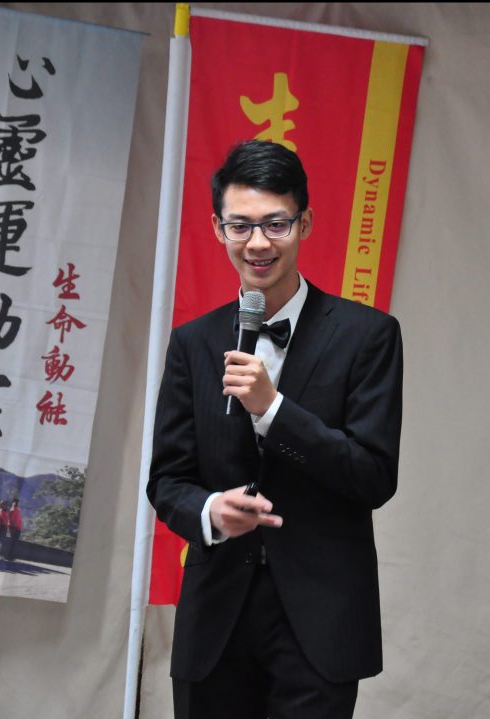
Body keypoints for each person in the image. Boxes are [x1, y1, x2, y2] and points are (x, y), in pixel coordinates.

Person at [147, 140, 403, 719]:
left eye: (275, 224)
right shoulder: (193, 342)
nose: (257, 243)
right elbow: (166, 480)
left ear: (303, 223)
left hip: (320, 620)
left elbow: (374, 476)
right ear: (218, 229)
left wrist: (273, 410)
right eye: (240, 226)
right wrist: (210, 510)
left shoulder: (368, 335)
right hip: (216, 618)